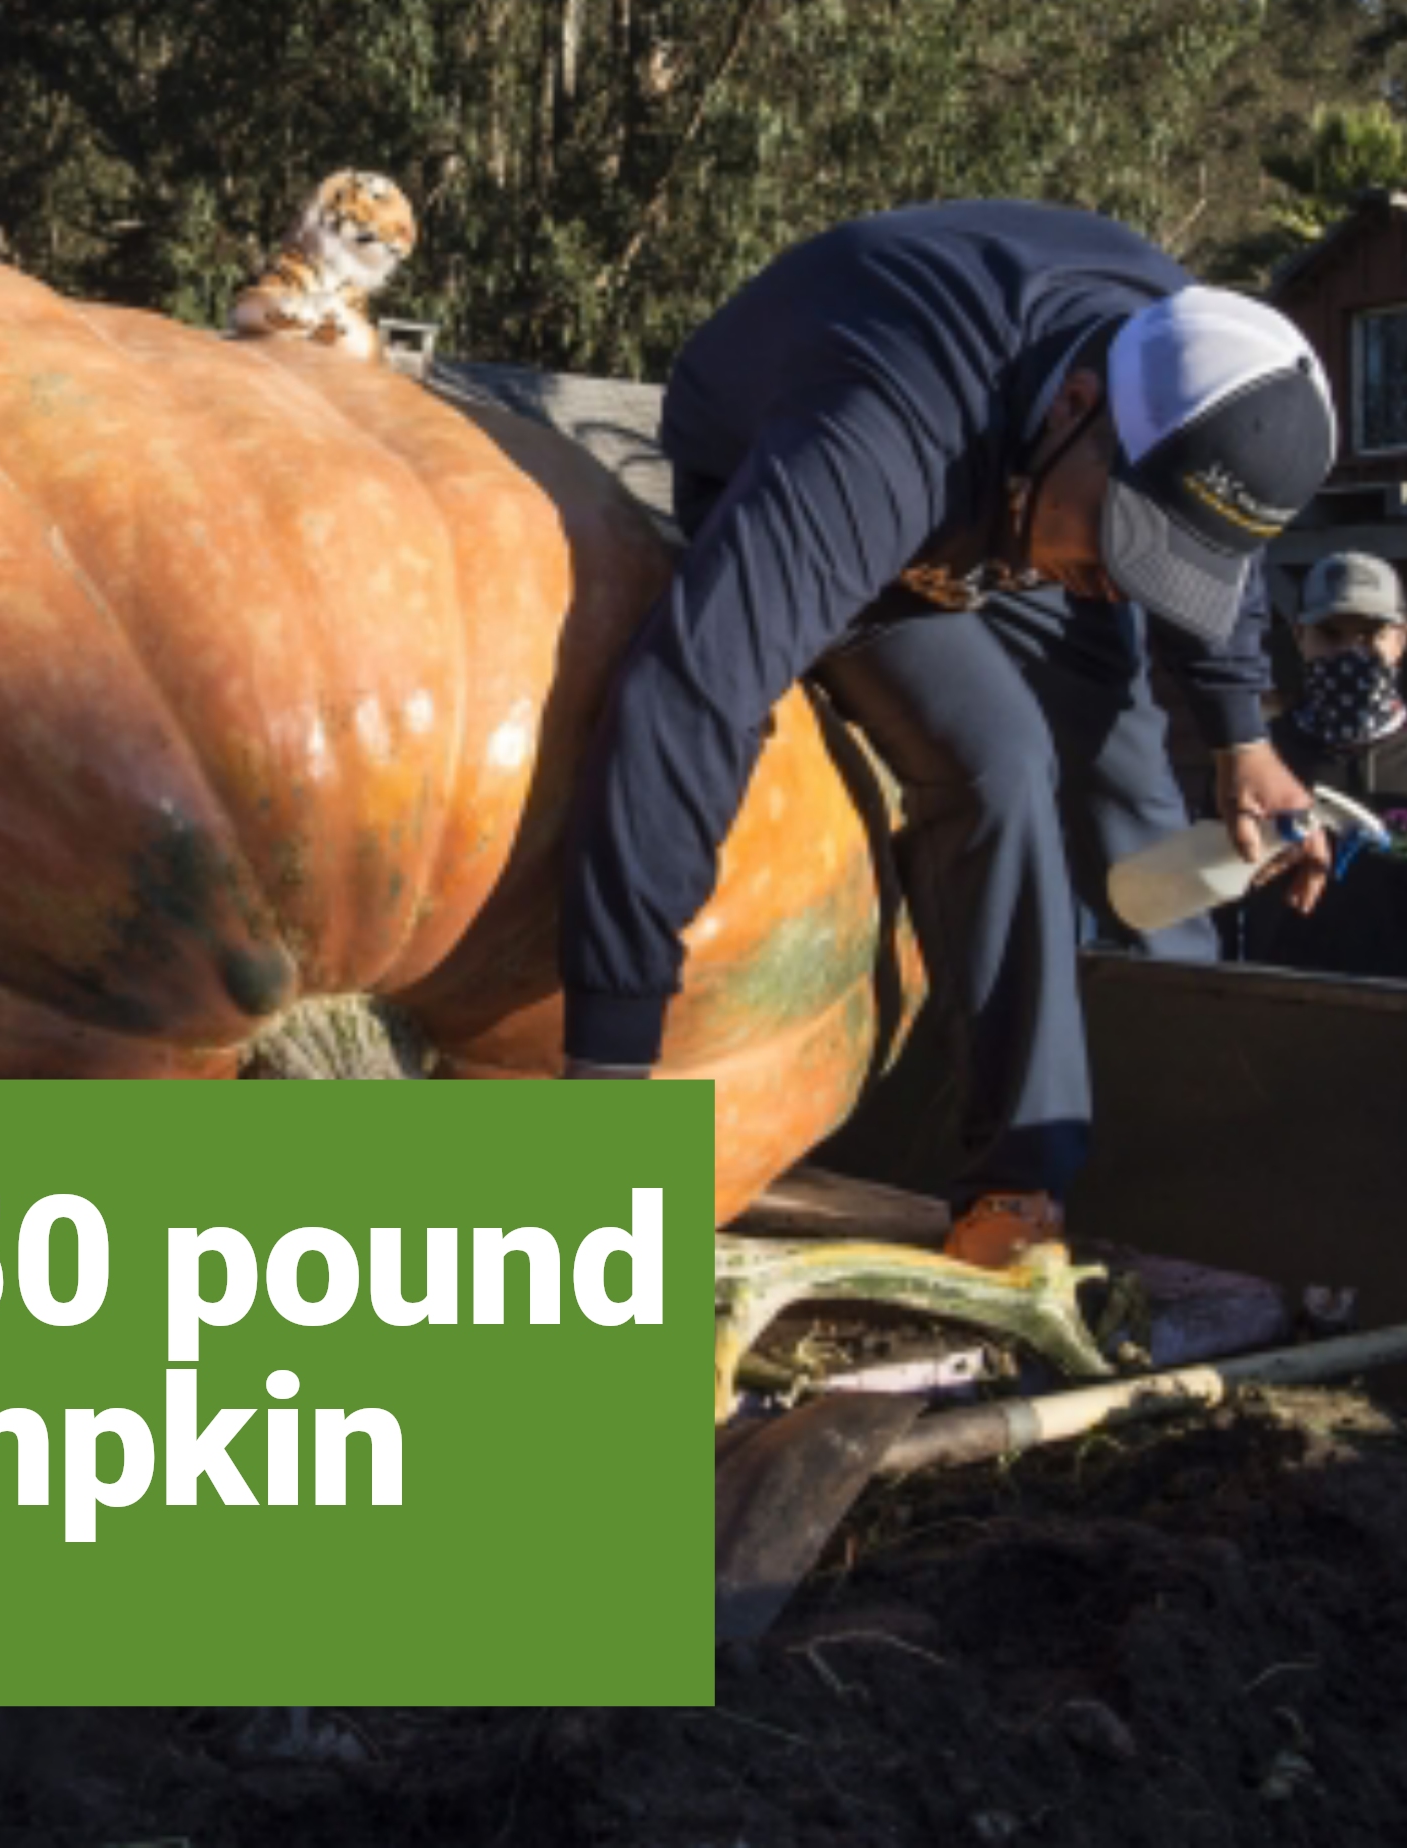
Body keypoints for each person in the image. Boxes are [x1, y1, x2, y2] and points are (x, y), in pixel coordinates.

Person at [557, 201, 1339, 1267]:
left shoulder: (1209, 394)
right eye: (1125, 540)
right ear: (1076, 402)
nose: (1121, 581)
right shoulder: (878, 443)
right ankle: (1016, 1184)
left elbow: (1210, 567)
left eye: (1163, 561)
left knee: (1129, 773)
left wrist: (1243, 736)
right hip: (848, 476)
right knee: (999, 762)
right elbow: (690, 695)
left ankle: (1164, 1173)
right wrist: (608, 1077)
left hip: (1027, 494)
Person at [1232, 550, 1407, 991]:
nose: (1352, 652)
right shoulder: (1259, 761)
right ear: (1300, 636)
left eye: (1372, 634)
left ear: (1402, 640)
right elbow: (1211, 910)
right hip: (1284, 1027)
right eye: (1331, 633)